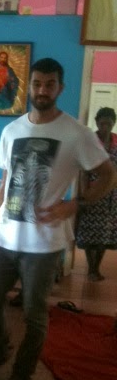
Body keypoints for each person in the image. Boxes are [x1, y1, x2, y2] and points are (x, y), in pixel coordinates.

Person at [0, 58, 116, 380]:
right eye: (37, 83)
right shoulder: (11, 130)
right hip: (3, 237)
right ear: (28, 86)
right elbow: (4, 185)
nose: (42, 90)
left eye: (50, 84)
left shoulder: (76, 133)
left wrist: (75, 204)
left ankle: (22, 375)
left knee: (34, 313)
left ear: (60, 88)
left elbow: (107, 175)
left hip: (43, 244)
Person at [76, 107, 117, 281]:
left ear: (114, 123)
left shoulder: (116, 142)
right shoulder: (90, 141)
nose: (105, 127)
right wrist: (85, 195)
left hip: (111, 196)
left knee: (105, 234)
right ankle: (91, 268)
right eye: (102, 123)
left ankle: (95, 268)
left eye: (109, 123)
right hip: (92, 193)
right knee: (88, 232)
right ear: (97, 122)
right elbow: (83, 171)